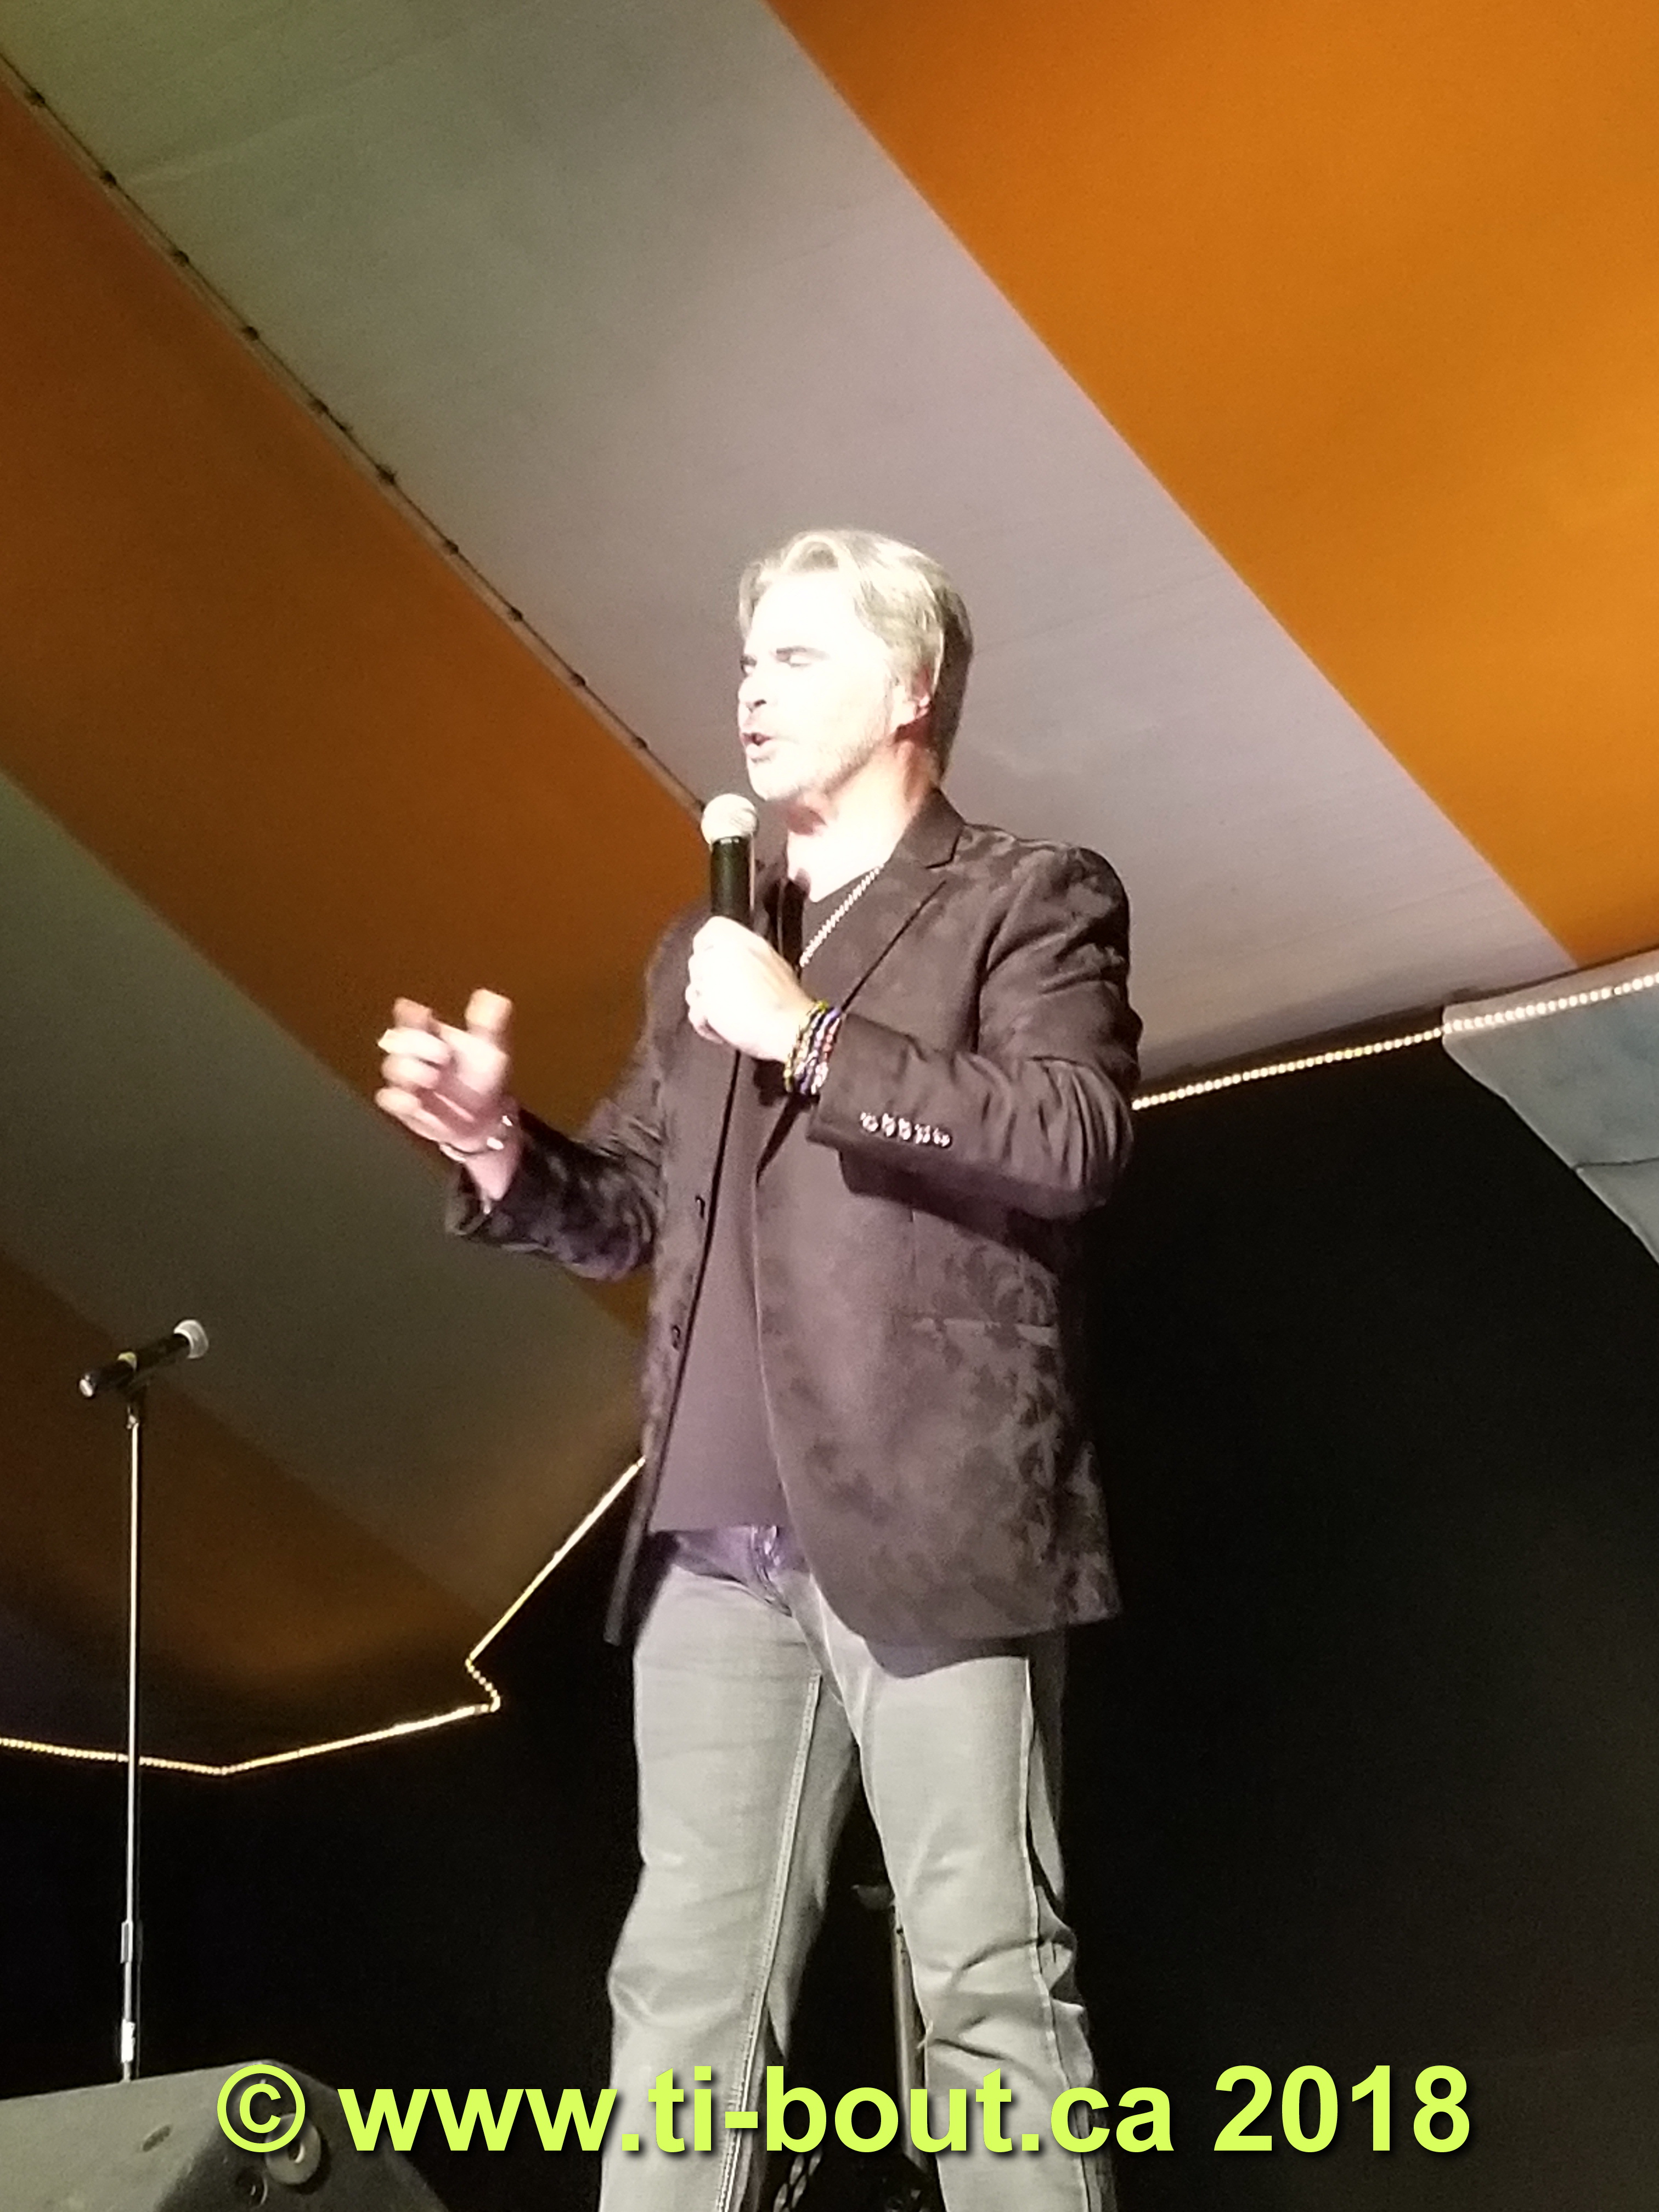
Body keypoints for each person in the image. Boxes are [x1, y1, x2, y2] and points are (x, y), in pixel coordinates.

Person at [377, 528, 1141, 2211]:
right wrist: (498, 1144)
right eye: (746, 659)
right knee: (681, 2001)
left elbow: (1070, 1138)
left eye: (797, 656)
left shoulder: (1024, 894)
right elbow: (627, 1212)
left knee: (986, 1982)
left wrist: (808, 1035)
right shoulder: (706, 952)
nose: (751, 688)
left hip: (931, 1521)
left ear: (911, 686)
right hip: (715, 1545)